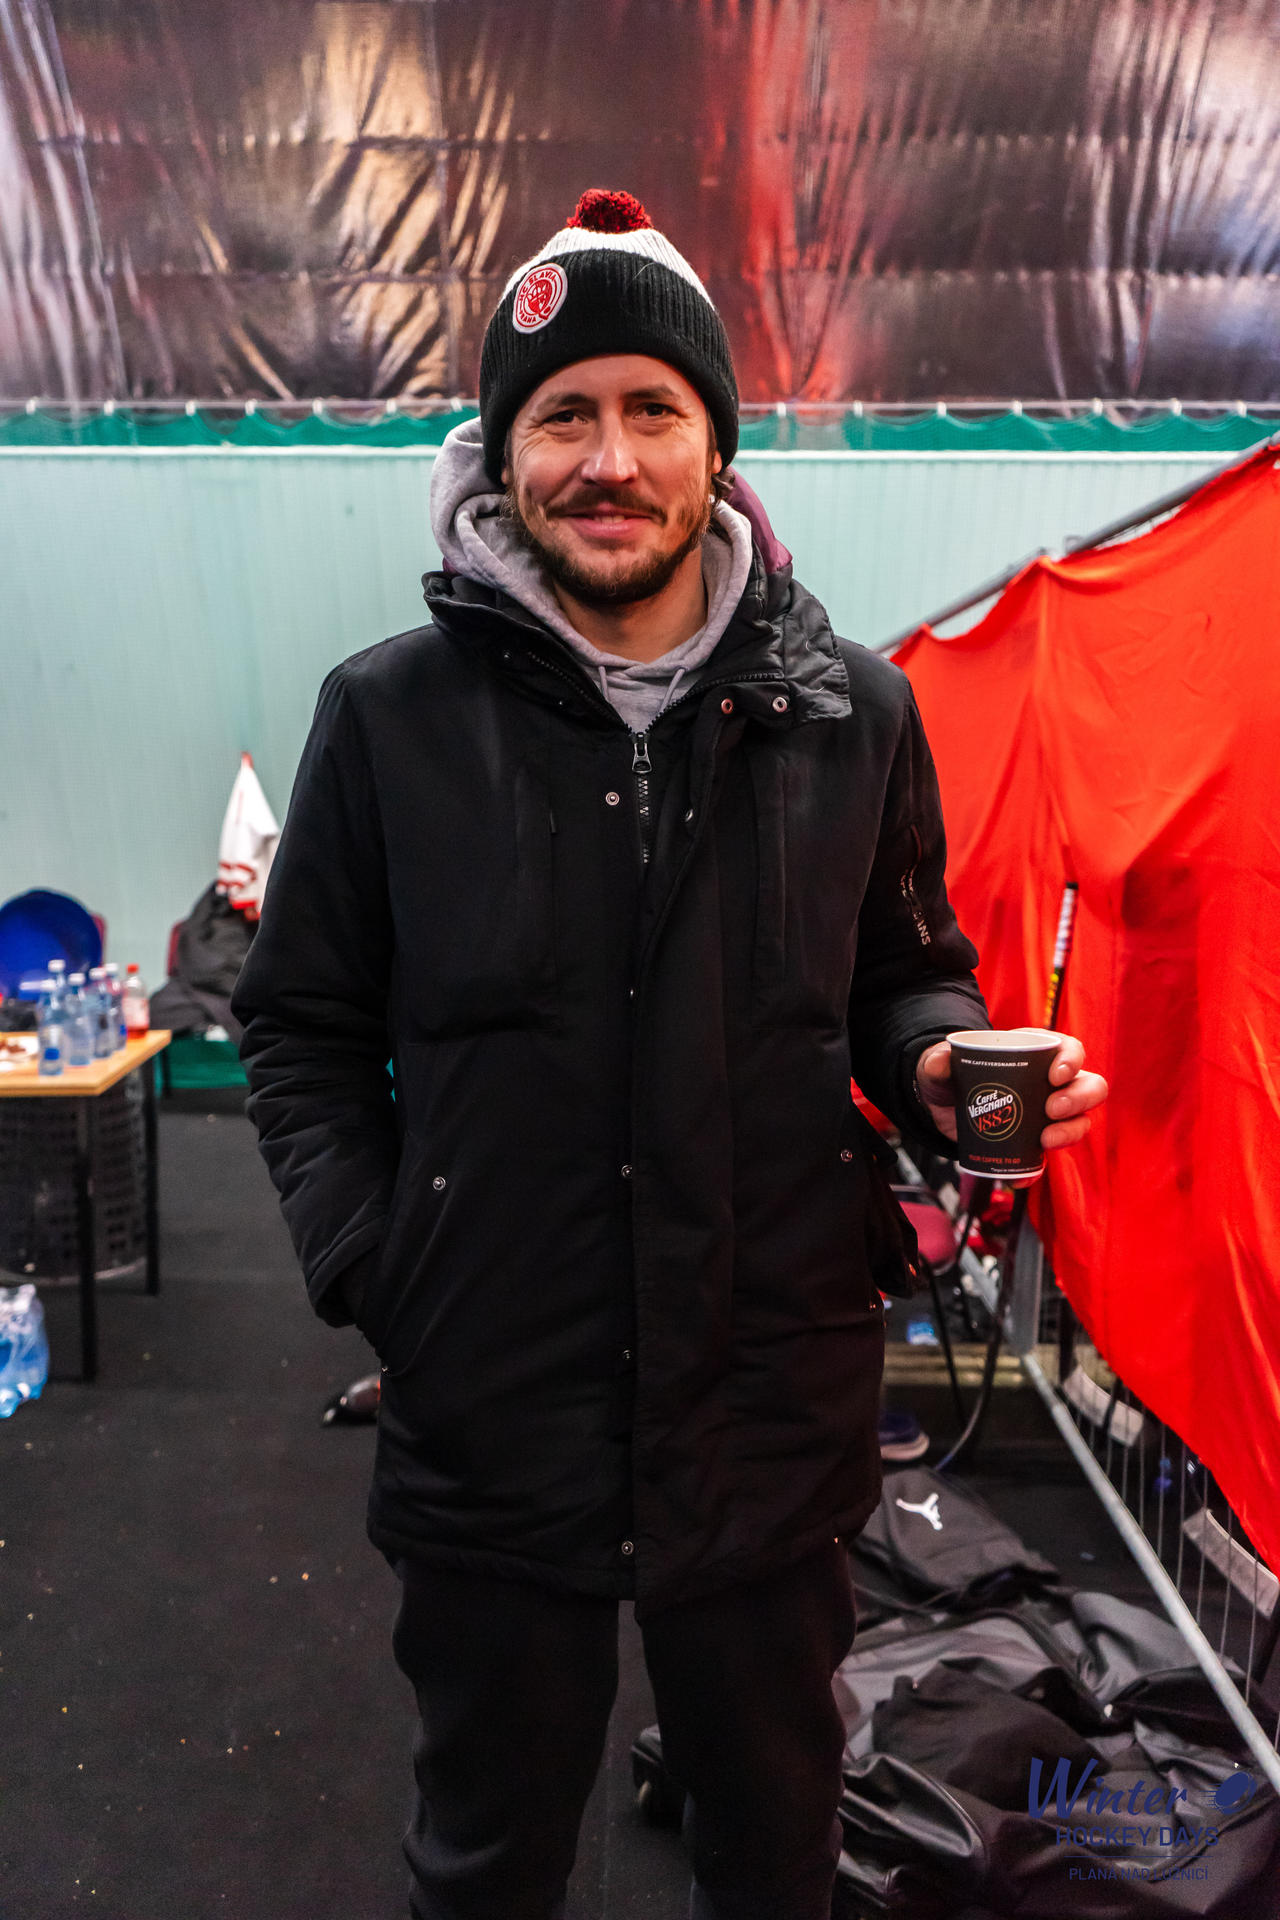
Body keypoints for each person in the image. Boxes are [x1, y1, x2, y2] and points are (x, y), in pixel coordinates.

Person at [233, 188, 1107, 1920]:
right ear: (502, 455)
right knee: (485, 1858)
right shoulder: (387, 718)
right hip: (494, 1396)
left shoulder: (851, 712)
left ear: (719, 446)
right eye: (564, 416)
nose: (610, 460)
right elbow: (300, 1025)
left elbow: (905, 972)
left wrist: (940, 1064)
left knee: (774, 1851)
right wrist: (379, 1264)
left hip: (768, 1392)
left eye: (654, 410)